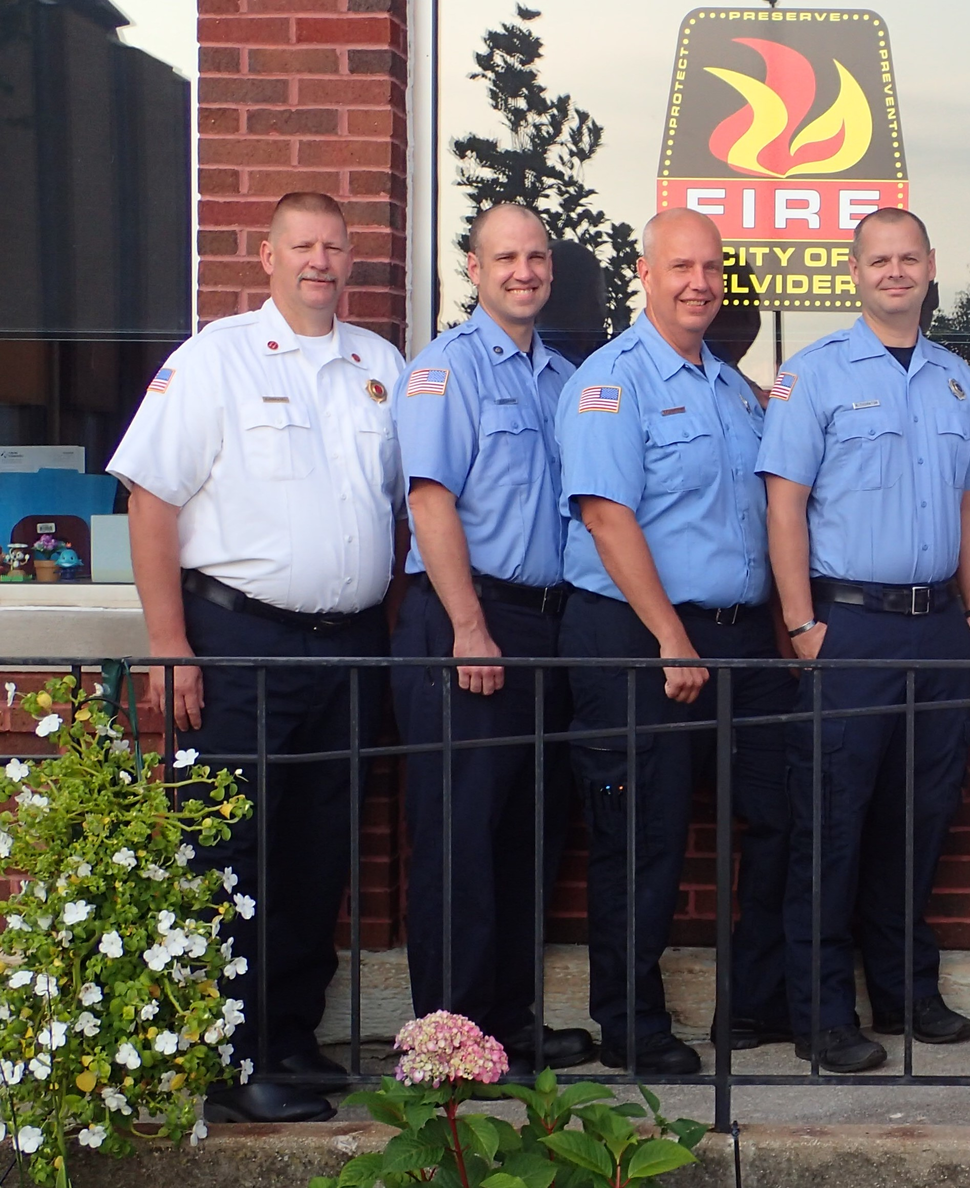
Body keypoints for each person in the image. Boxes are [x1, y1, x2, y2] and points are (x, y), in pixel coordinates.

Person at [108, 192, 406, 1122]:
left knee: (320, 857)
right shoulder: (215, 358)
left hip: (350, 650)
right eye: (302, 246)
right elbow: (150, 502)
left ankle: (289, 1039)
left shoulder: (380, 364)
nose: (320, 261)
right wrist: (169, 647)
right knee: (233, 854)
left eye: (334, 247)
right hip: (240, 643)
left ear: (350, 260)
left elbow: (406, 507)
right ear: (267, 256)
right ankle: (228, 1059)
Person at [553, 208, 793, 1075]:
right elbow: (607, 518)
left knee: (778, 815)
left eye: (711, 268)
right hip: (639, 637)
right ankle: (632, 1026)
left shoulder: (732, 389)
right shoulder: (610, 383)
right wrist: (670, 638)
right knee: (642, 836)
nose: (699, 282)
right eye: (680, 266)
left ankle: (757, 1004)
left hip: (739, 642)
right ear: (645, 275)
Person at [758, 207, 970, 1073]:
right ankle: (820, 1011)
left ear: (932, 265)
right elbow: (784, 503)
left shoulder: (958, 378)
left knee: (919, 818)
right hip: (848, 626)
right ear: (856, 272)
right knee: (832, 822)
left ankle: (905, 991)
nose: (895, 273)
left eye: (908, 258)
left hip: (938, 630)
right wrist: (800, 624)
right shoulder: (812, 376)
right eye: (878, 260)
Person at [390, 203, 593, 1072]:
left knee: (527, 837)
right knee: (458, 839)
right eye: (505, 257)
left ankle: (508, 1025)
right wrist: (469, 627)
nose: (524, 271)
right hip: (467, 621)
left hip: (544, 626)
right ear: (472, 268)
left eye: (537, 256)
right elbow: (429, 499)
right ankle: (450, 1039)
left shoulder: (563, 377)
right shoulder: (447, 369)